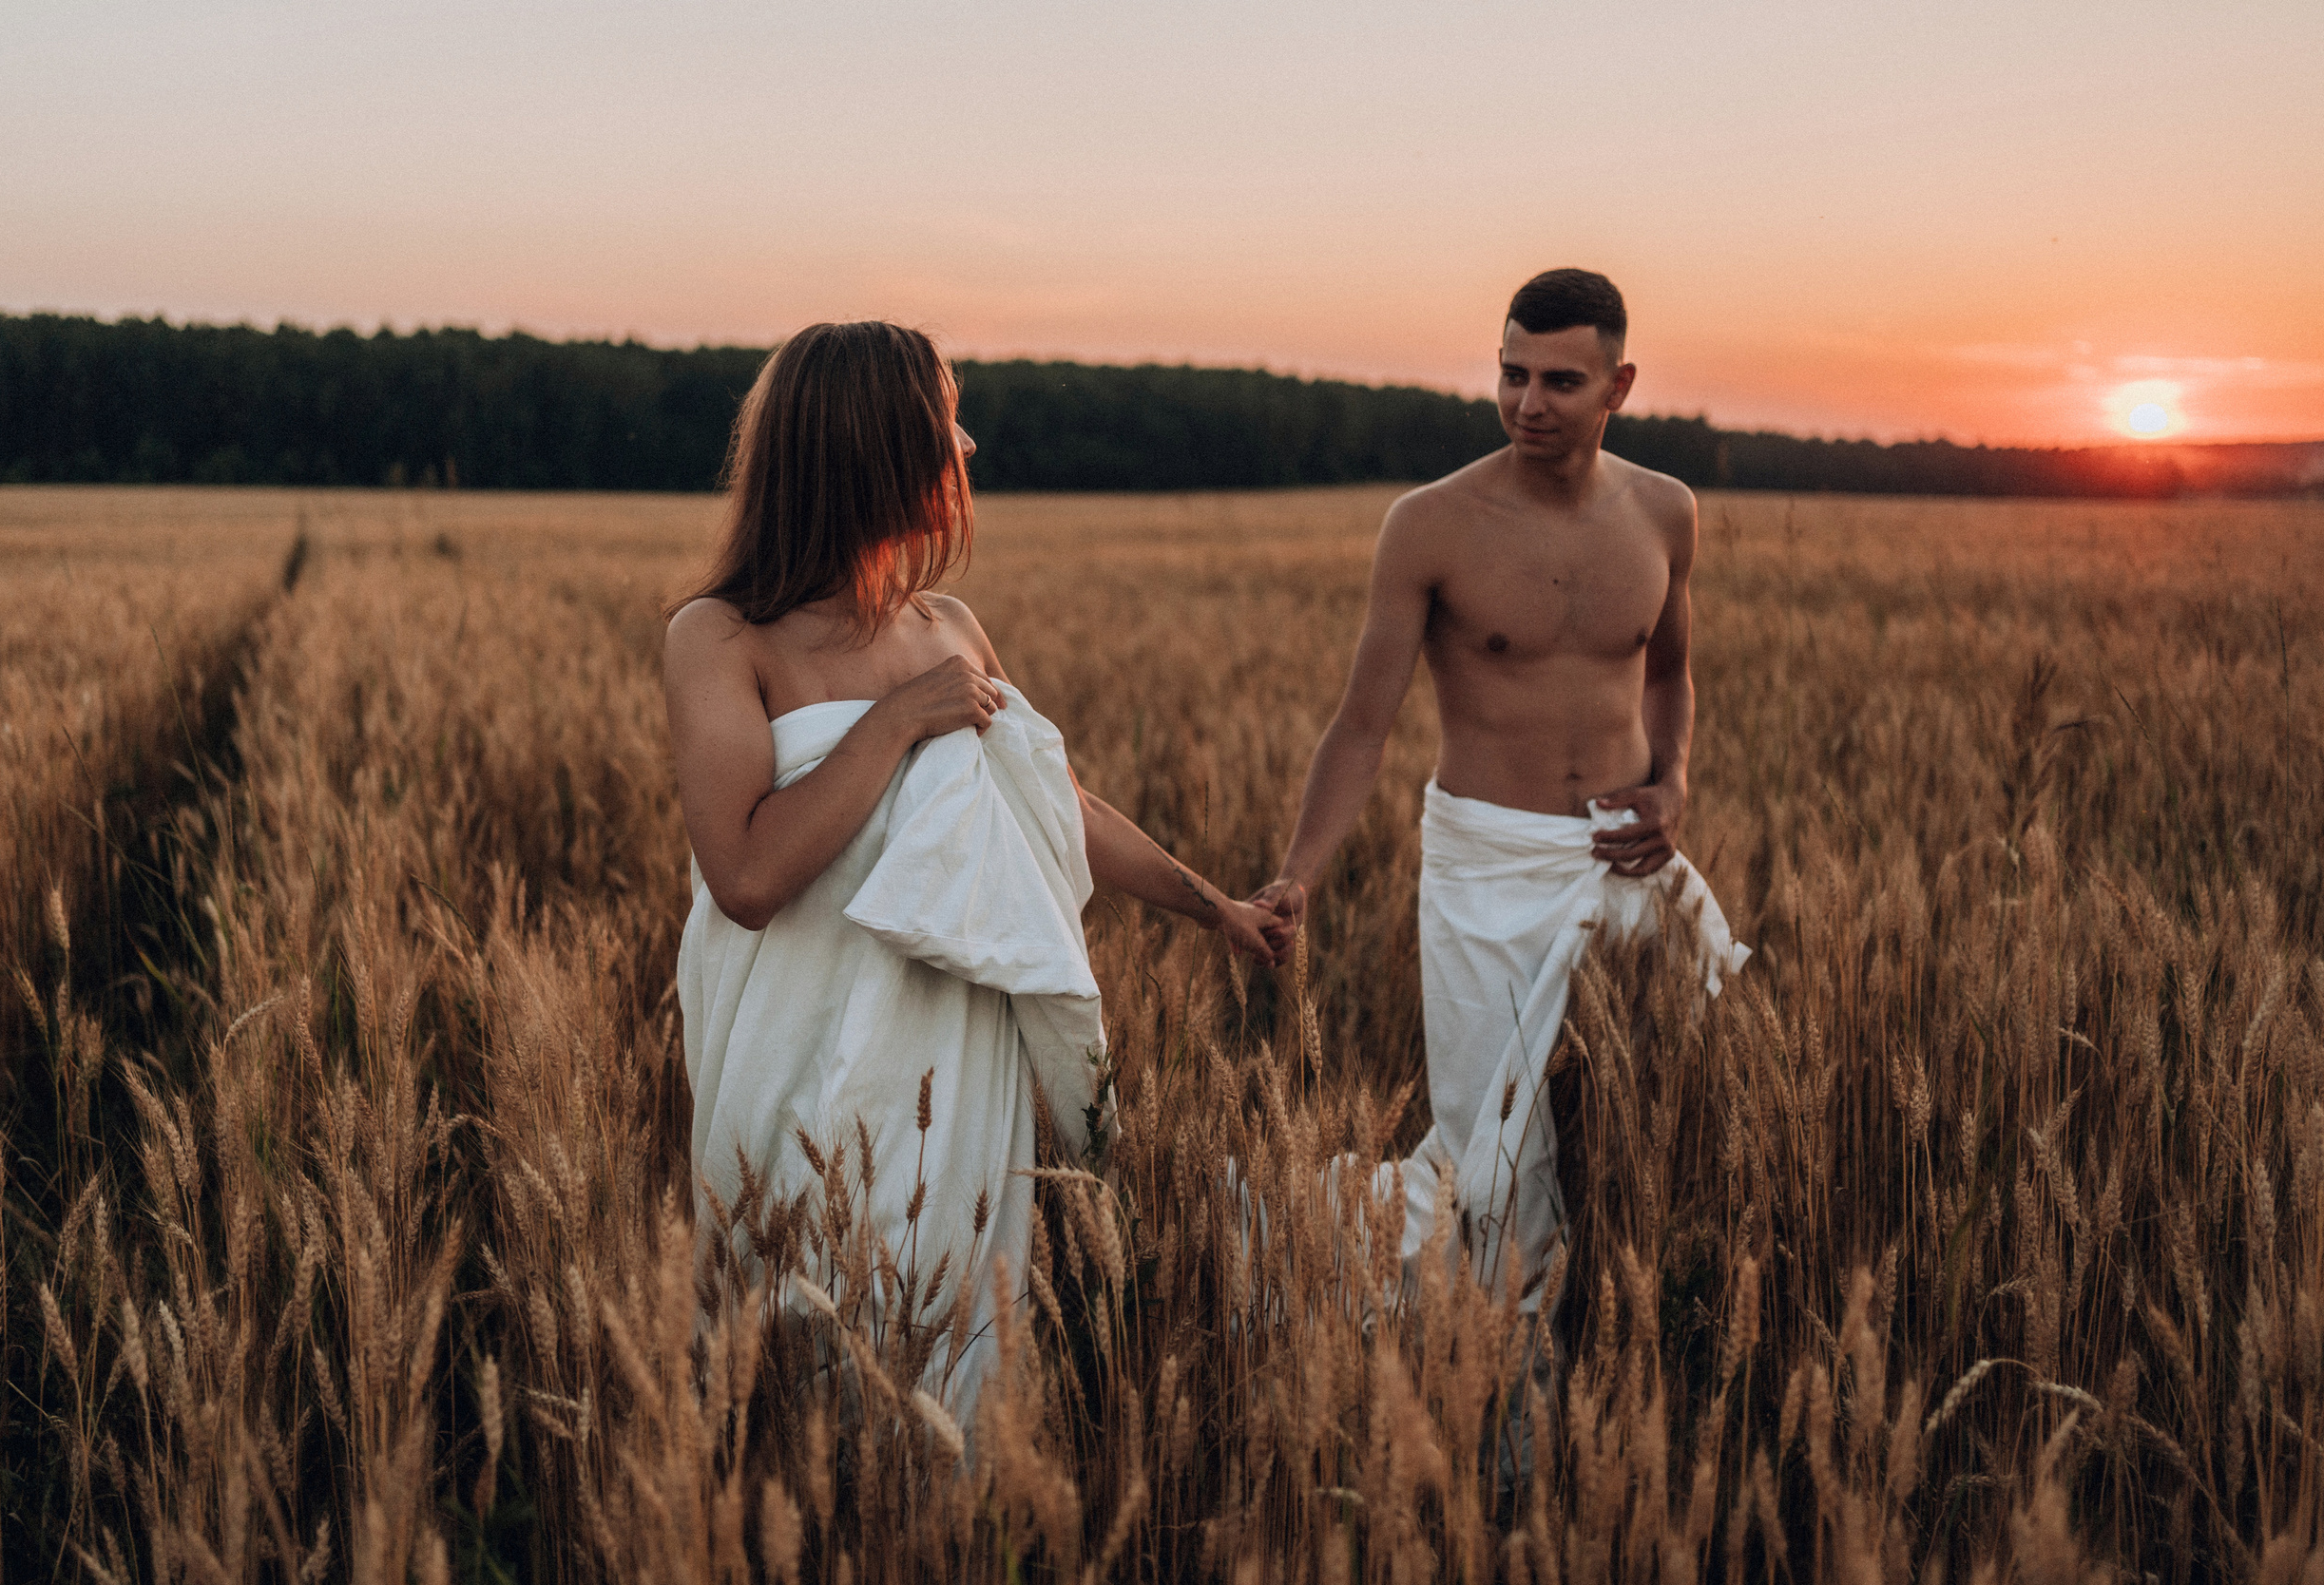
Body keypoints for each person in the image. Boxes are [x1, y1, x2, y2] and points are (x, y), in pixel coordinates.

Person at [663, 320, 1285, 1436]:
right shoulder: (721, 638)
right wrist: (899, 722)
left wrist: (1217, 908)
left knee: (950, 1332)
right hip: (799, 1040)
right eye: (944, 421)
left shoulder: (950, 626)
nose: (967, 446)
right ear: (869, 447)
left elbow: (1061, 805)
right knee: (799, 1327)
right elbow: (747, 874)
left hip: (956, 1046)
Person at [1250, 269, 1749, 1323]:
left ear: (1618, 384)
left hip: (1624, 856)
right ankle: (1494, 1395)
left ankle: (1614, 1346)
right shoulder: (1430, 526)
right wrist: (1299, 874)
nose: (1529, 403)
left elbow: (1666, 673)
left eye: (1560, 381)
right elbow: (1362, 725)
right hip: (1484, 863)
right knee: (1492, 1156)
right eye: (1511, 374)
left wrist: (1675, 781)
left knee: (1648, 1124)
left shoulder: (1665, 513)